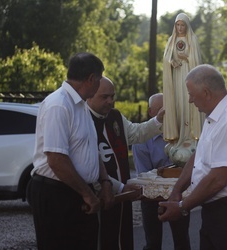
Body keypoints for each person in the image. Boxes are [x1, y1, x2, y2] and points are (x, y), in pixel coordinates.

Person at [158, 64, 227, 250]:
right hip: (218, 210)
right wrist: (177, 190)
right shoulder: (215, 116)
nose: (190, 100)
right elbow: (197, 157)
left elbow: (218, 180)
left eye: (191, 94)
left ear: (206, 93)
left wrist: (183, 207)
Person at [29, 52, 116, 250]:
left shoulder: (82, 105)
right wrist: (88, 195)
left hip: (77, 192)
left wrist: (105, 182)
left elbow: (90, 149)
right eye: (100, 78)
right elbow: (57, 160)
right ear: (91, 79)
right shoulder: (59, 105)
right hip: (57, 194)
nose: (100, 83)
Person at [87, 76, 164, 250]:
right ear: (89, 95)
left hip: (122, 199)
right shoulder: (82, 119)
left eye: (112, 96)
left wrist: (158, 120)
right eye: (104, 97)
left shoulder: (115, 116)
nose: (110, 101)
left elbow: (136, 133)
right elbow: (88, 165)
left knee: (122, 240)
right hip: (100, 196)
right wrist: (120, 187)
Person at [132, 93, 191, 250]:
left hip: (178, 194)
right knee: (152, 243)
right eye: (160, 110)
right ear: (151, 112)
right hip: (151, 196)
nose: (166, 114)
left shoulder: (183, 133)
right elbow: (144, 175)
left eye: (169, 110)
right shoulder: (142, 138)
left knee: (182, 241)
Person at [162, 13, 203, 166]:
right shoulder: (171, 40)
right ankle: (180, 137)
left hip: (189, 75)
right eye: (177, 25)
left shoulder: (192, 39)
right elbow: (166, 58)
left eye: (182, 25)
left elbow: (197, 60)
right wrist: (171, 62)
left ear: (186, 26)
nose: (180, 28)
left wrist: (187, 58)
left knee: (189, 104)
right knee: (179, 106)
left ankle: (191, 137)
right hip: (176, 78)